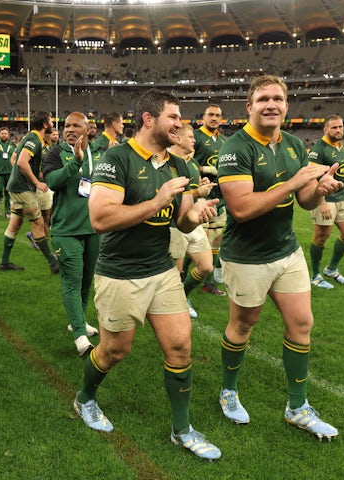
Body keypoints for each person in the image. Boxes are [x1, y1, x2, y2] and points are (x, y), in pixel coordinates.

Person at [73, 90, 221, 460]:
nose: (180, 123)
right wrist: (155, 201)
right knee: (113, 351)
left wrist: (196, 214)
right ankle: (85, 398)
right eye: (173, 116)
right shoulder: (116, 158)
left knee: (180, 348)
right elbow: (100, 219)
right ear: (148, 119)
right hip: (120, 273)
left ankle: (182, 429)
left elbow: (182, 221)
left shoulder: (182, 166)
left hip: (161, 270)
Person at [216, 75, 342, 439]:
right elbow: (240, 209)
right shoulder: (234, 148)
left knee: (302, 323)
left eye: (278, 99)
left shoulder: (292, 144)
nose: (271, 104)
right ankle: (228, 390)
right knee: (243, 325)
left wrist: (320, 189)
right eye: (263, 99)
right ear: (249, 106)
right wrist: (293, 182)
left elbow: (304, 201)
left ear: (287, 106)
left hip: (286, 252)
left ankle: (297, 407)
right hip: (246, 257)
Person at [42, 112, 102, 356]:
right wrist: (75, 162)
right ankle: (79, 335)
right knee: (72, 280)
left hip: (94, 228)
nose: (69, 129)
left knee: (87, 281)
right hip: (66, 230)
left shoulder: (99, 153)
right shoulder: (56, 153)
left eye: (76, 125)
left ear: (87, 130)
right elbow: (53, 182)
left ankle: (78, 320)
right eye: (66, 125)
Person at [0, 111, 59, 274]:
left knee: (15, 224)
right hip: (22, 188)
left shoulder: (31, 138)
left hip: (18, 187)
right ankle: (54, 263)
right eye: (51, 121)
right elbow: (22, 162)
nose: (53, 124)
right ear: (45, 124)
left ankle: (4, 262)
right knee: (38, 223)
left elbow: (19, 160)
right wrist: (37, 182)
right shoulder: (34, 139)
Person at [168, 123, 216, 319]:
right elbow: (170, 195)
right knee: (175, 273)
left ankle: (184, 297)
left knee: (206, 267)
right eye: (190, 137)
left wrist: (201, 185)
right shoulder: (168, 161)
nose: (194, 140)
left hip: (194, 222)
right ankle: (174, 307)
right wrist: (197, 192)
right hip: (175, 224)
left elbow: (192, 189)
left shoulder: (193, 162)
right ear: (178, 138)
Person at [308, 115, 344, 289]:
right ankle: (315, 275)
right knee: (321, 236)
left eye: (340, 127)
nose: (338, 130)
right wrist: (321, 203)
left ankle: (331, 269)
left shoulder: (341, 148)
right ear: (325, 130)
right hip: (325, 199)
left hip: (342, 198)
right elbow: (312, 177)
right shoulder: (319, 149)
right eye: (334, 127)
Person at [193, 104, 227, 295]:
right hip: (200, 197)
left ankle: (209, 282)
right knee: (199, 242)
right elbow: (183, 160)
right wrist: (206, 170)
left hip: (219, 198)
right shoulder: (196, 137)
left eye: (218, 115)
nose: (214, 118)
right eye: (211, 115)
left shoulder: (223, 140)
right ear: (203, 117)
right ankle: (183, 276)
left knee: (216, 241)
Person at [0, 127, 15, 218]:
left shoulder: (13, 145)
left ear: (8, 135)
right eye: (2, 133)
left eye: (5, 133)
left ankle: (8, 211)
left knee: (9, 192)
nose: (4, 135)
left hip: (10, 172)